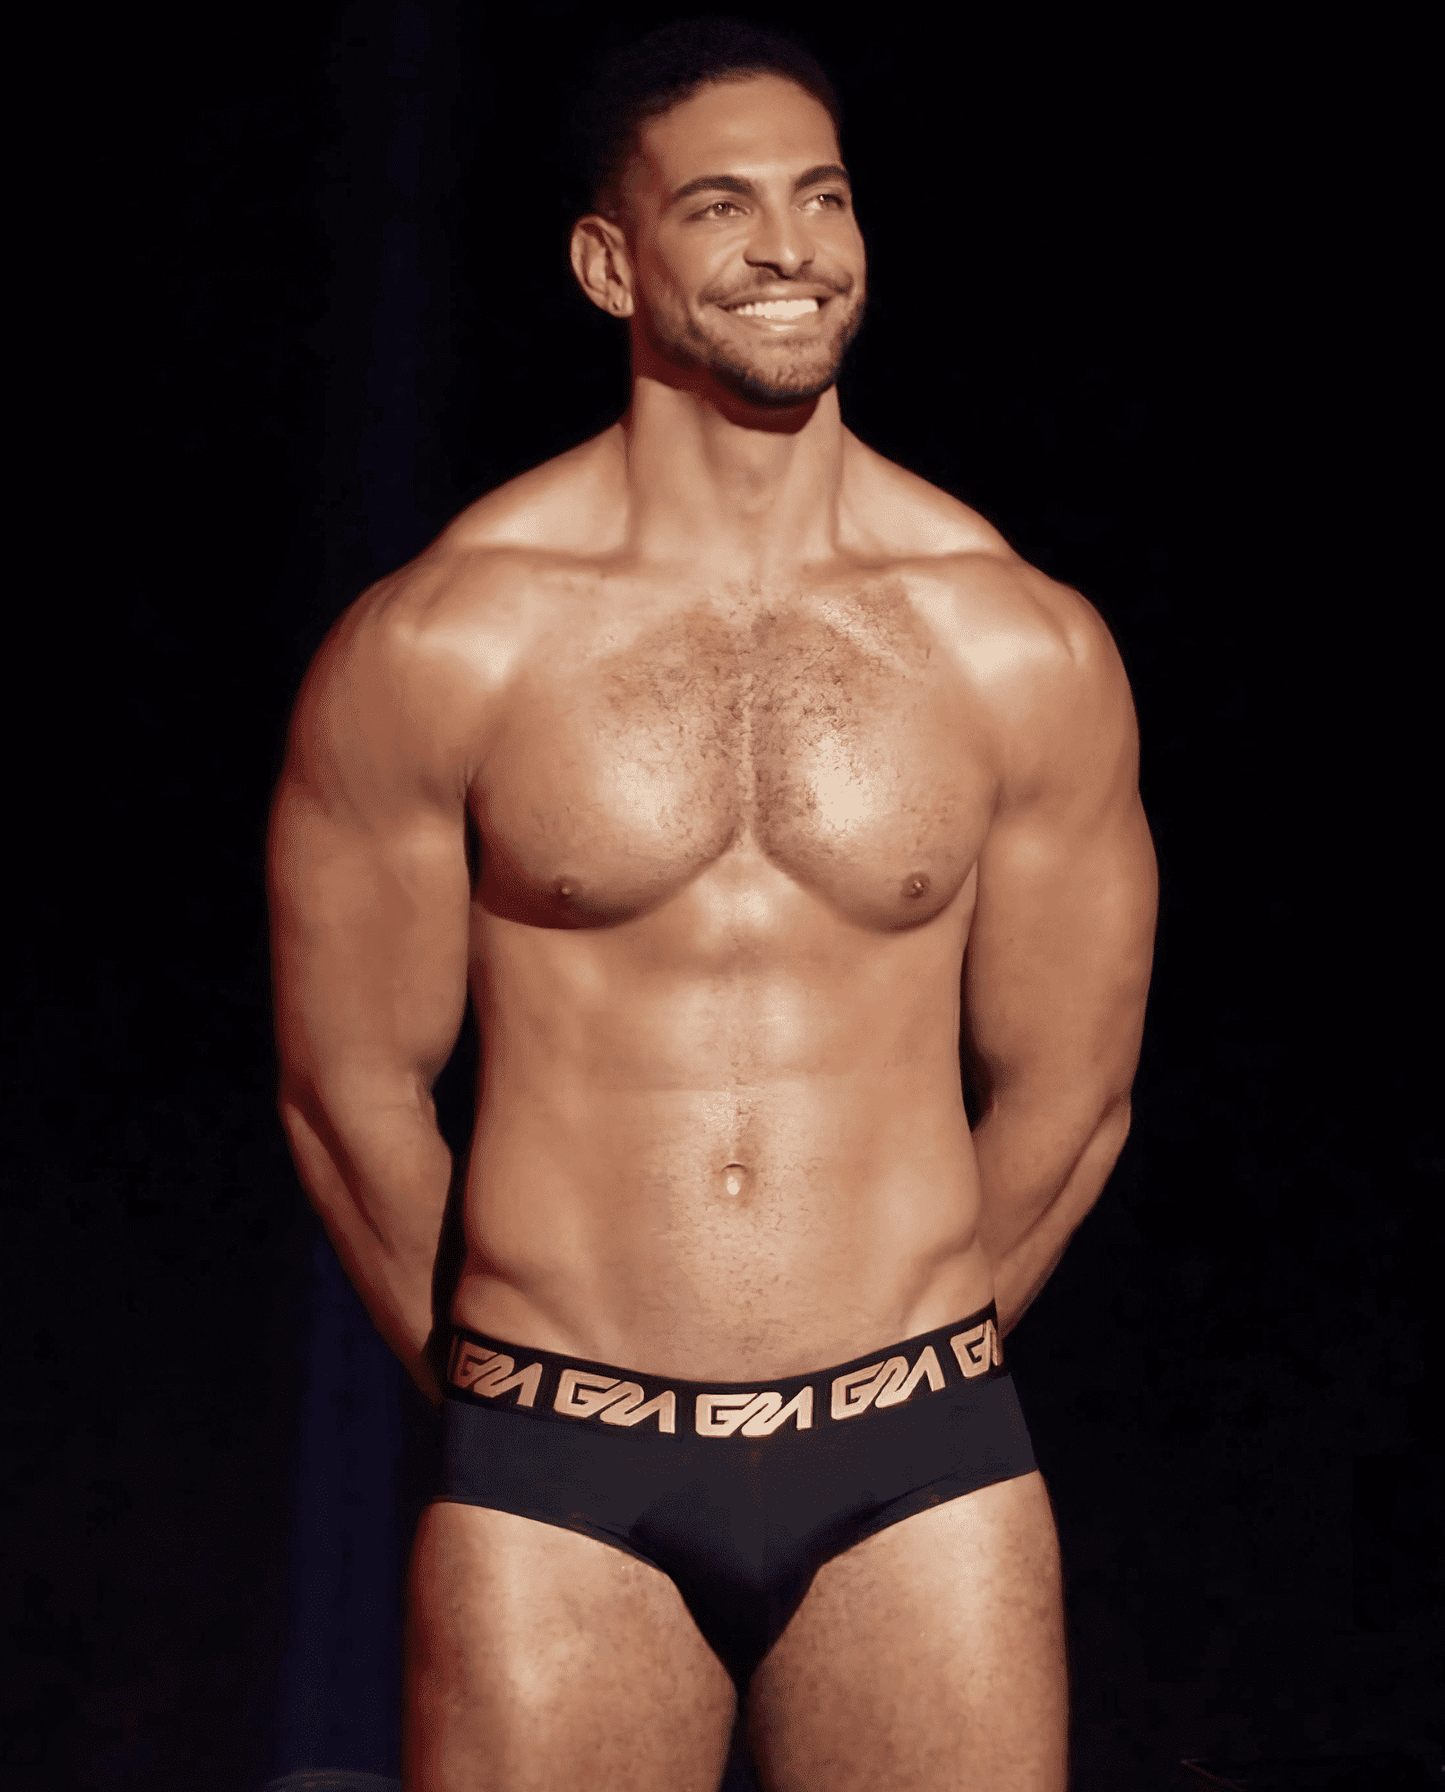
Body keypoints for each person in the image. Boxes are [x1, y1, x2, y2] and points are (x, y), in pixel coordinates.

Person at [268, 18, 1157, 1790]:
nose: (790, 249)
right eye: (723, 207)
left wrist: (898, 1376)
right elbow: (347, 1091)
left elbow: (1073, 1091)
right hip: (557, 1471)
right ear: (610, 265)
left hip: (919, 1464)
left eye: (823, 198)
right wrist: (523, 1412)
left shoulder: (1016, 639)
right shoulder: (446, 637)